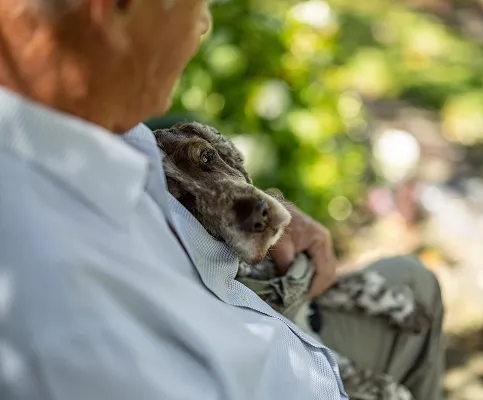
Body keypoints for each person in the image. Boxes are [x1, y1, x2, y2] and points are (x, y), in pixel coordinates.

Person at [0, 1, 444, 399]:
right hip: (291, 373)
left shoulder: (88, 128)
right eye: (193, 5)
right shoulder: (52, 305)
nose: (204, 24)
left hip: (268, 322)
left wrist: (255, 211)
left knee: (414, 281)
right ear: (114, 10)